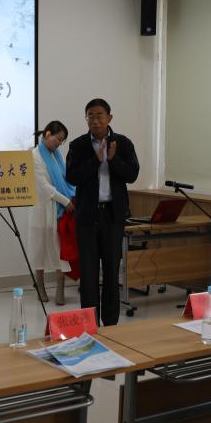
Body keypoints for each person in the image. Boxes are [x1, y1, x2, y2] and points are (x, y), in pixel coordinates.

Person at [65, 98, 139, 326]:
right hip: (87, 217)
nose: (95, 120)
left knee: (111, 272)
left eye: (99, 115)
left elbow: (132, 175)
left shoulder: (123, 143)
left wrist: (113, 160)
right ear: (86, 119)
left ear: (109, 118)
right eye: (90, 116)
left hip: (112, 217)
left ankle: (111, 326)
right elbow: (72, 177)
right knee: (88, 276)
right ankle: (89, 325)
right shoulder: (78, 146)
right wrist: (95, 161)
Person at [28, 121, 73, 305]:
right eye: (58, 139)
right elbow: (44, 186)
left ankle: (60, 287)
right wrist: (66, 201)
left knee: (60, 250)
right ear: (47, 134)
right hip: (42, 209)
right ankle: (40, 285)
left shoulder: (57, 155)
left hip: (58, 210)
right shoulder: (34, 155)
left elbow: (64, 179)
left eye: (62, 141)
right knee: (39, 249)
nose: (59, 144)